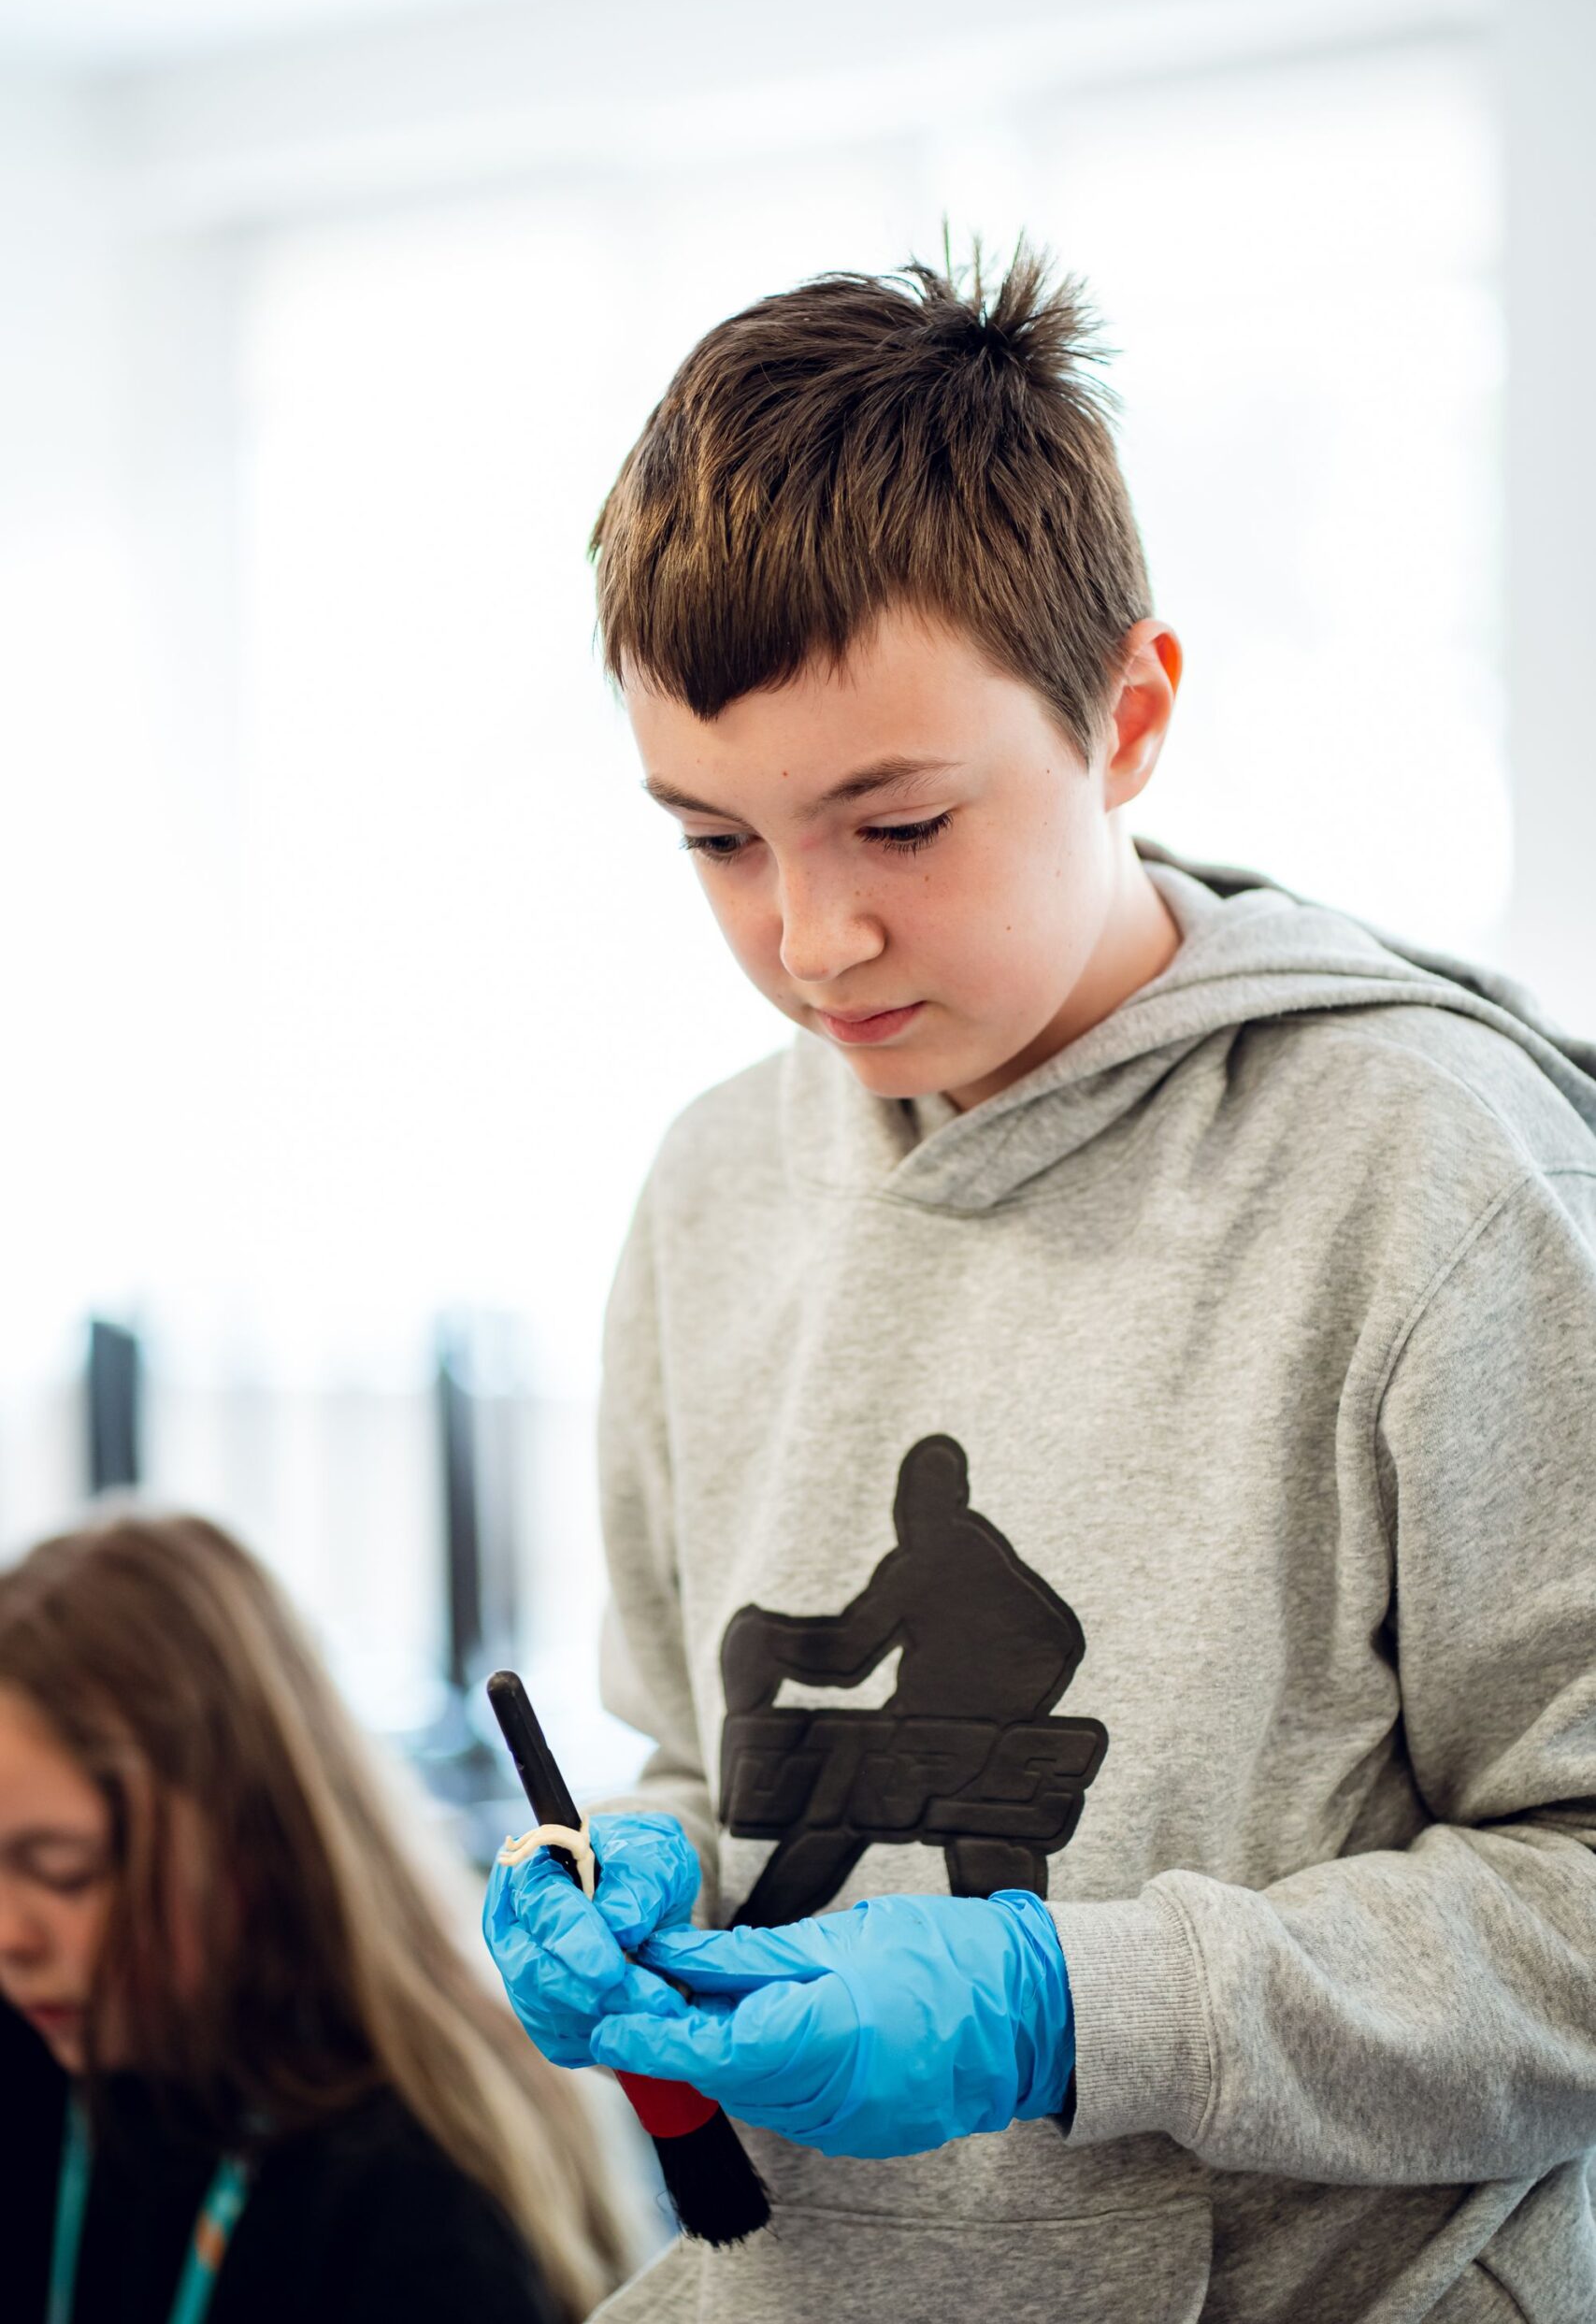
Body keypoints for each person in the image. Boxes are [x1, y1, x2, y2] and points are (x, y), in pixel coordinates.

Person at [482, 246, 1596, 2322]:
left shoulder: (1434, 1175)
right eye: (715, 842)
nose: (810, 939)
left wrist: (1072, 2008)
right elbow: (699, 1750)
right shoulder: (713, 1184)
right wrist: (642, 1860)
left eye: (897, 823)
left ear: (1129, 717)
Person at [0, 1507, 628, 2324]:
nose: (10, 1936)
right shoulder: (47, 2051)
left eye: (65, 1869)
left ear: (250, 1835)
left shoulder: (417, 2195)